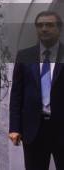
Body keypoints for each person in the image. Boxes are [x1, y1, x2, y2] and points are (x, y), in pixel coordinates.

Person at [9, 10, 64, 170]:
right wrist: (14, 127)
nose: (44, 29)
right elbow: (17, 94)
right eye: (40, 25)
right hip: (33, 130)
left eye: (49, 25)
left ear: (59, 29)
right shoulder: (24, 55)